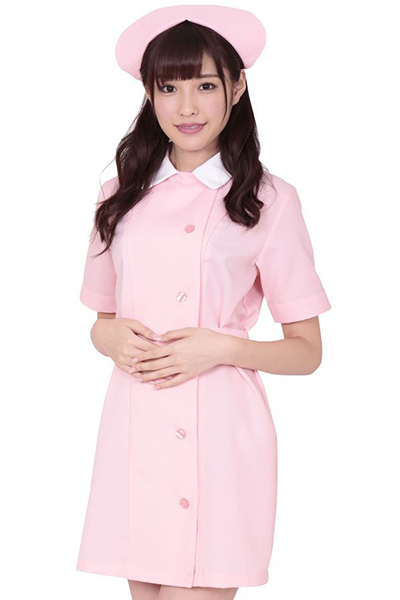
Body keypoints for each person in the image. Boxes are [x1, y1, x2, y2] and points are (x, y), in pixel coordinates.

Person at [76, 6, 332, 600]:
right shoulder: (118, 196)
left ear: (237, 89)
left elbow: (307, 352)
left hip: (222, 435)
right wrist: (109, 339)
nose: (187, 107)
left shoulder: (270, 200)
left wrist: (220, 347)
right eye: (169, 88)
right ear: (149, 94)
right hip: (137, 428)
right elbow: (102, 321)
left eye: (206, 86)